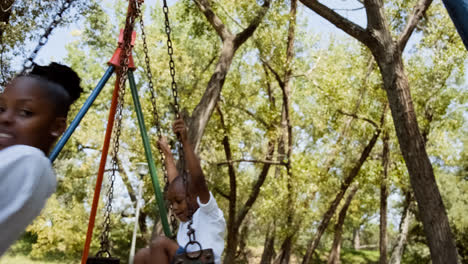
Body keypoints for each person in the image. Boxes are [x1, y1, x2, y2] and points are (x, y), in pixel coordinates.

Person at [0, 63, 82, 256]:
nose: (5, 118)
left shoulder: (27, 160)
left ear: (57, 126)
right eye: (1, 108)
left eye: (26, 113)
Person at [134, 118, 226, 264]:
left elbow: (198, 180)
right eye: (172, 203)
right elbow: (175, 185)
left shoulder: (208, 213)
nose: (175, 207)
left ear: (195, 196)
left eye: (179, 202)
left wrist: (185, 142)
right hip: (186, 260)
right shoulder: (186, 220)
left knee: (160, 243)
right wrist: (168, 156)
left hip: (204, 261)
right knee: (142, 255)